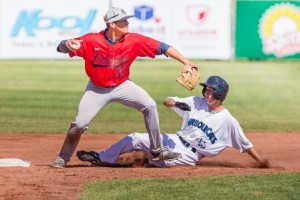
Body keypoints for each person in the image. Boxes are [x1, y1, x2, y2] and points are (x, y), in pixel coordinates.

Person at [51, 7, 197, 168]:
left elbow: (163, 47)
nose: (127, 23)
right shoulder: (92, 40)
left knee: (150, 105)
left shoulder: (133, 40)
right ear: (112, 24)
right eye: (123, 20)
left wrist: (186, 62)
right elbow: (61, 47)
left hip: (122, 85)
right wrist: (66, 44)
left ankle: (157, 150)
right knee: (79, 124)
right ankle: (62, 157)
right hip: (96, 88)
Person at [76, 75, 270, 168]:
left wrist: (262, 163)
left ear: (220, 94)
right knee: (134, 138)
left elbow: (246, 145)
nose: (206, 93)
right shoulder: (196, 102)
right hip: (174, 140)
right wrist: (176, 103)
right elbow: (167, 101)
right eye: (206, 90)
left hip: (190, 155)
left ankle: (142, 159)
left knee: (161, 161)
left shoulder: (228, 121)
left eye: (211, 91)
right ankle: (102, 158)